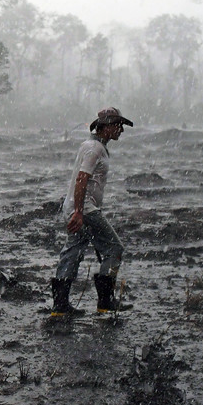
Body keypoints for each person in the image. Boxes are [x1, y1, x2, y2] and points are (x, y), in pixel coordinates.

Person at [50, 107, 134, 316]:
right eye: (118, 126)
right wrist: (79, 212)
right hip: (85, 209)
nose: (121, 130)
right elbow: (81, 179)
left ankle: (60, 306)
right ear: (106, 127)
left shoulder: (92, 146)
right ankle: (105, 302)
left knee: (73, 251)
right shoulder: (94, 149)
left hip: (77, 207)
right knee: (114, 248)